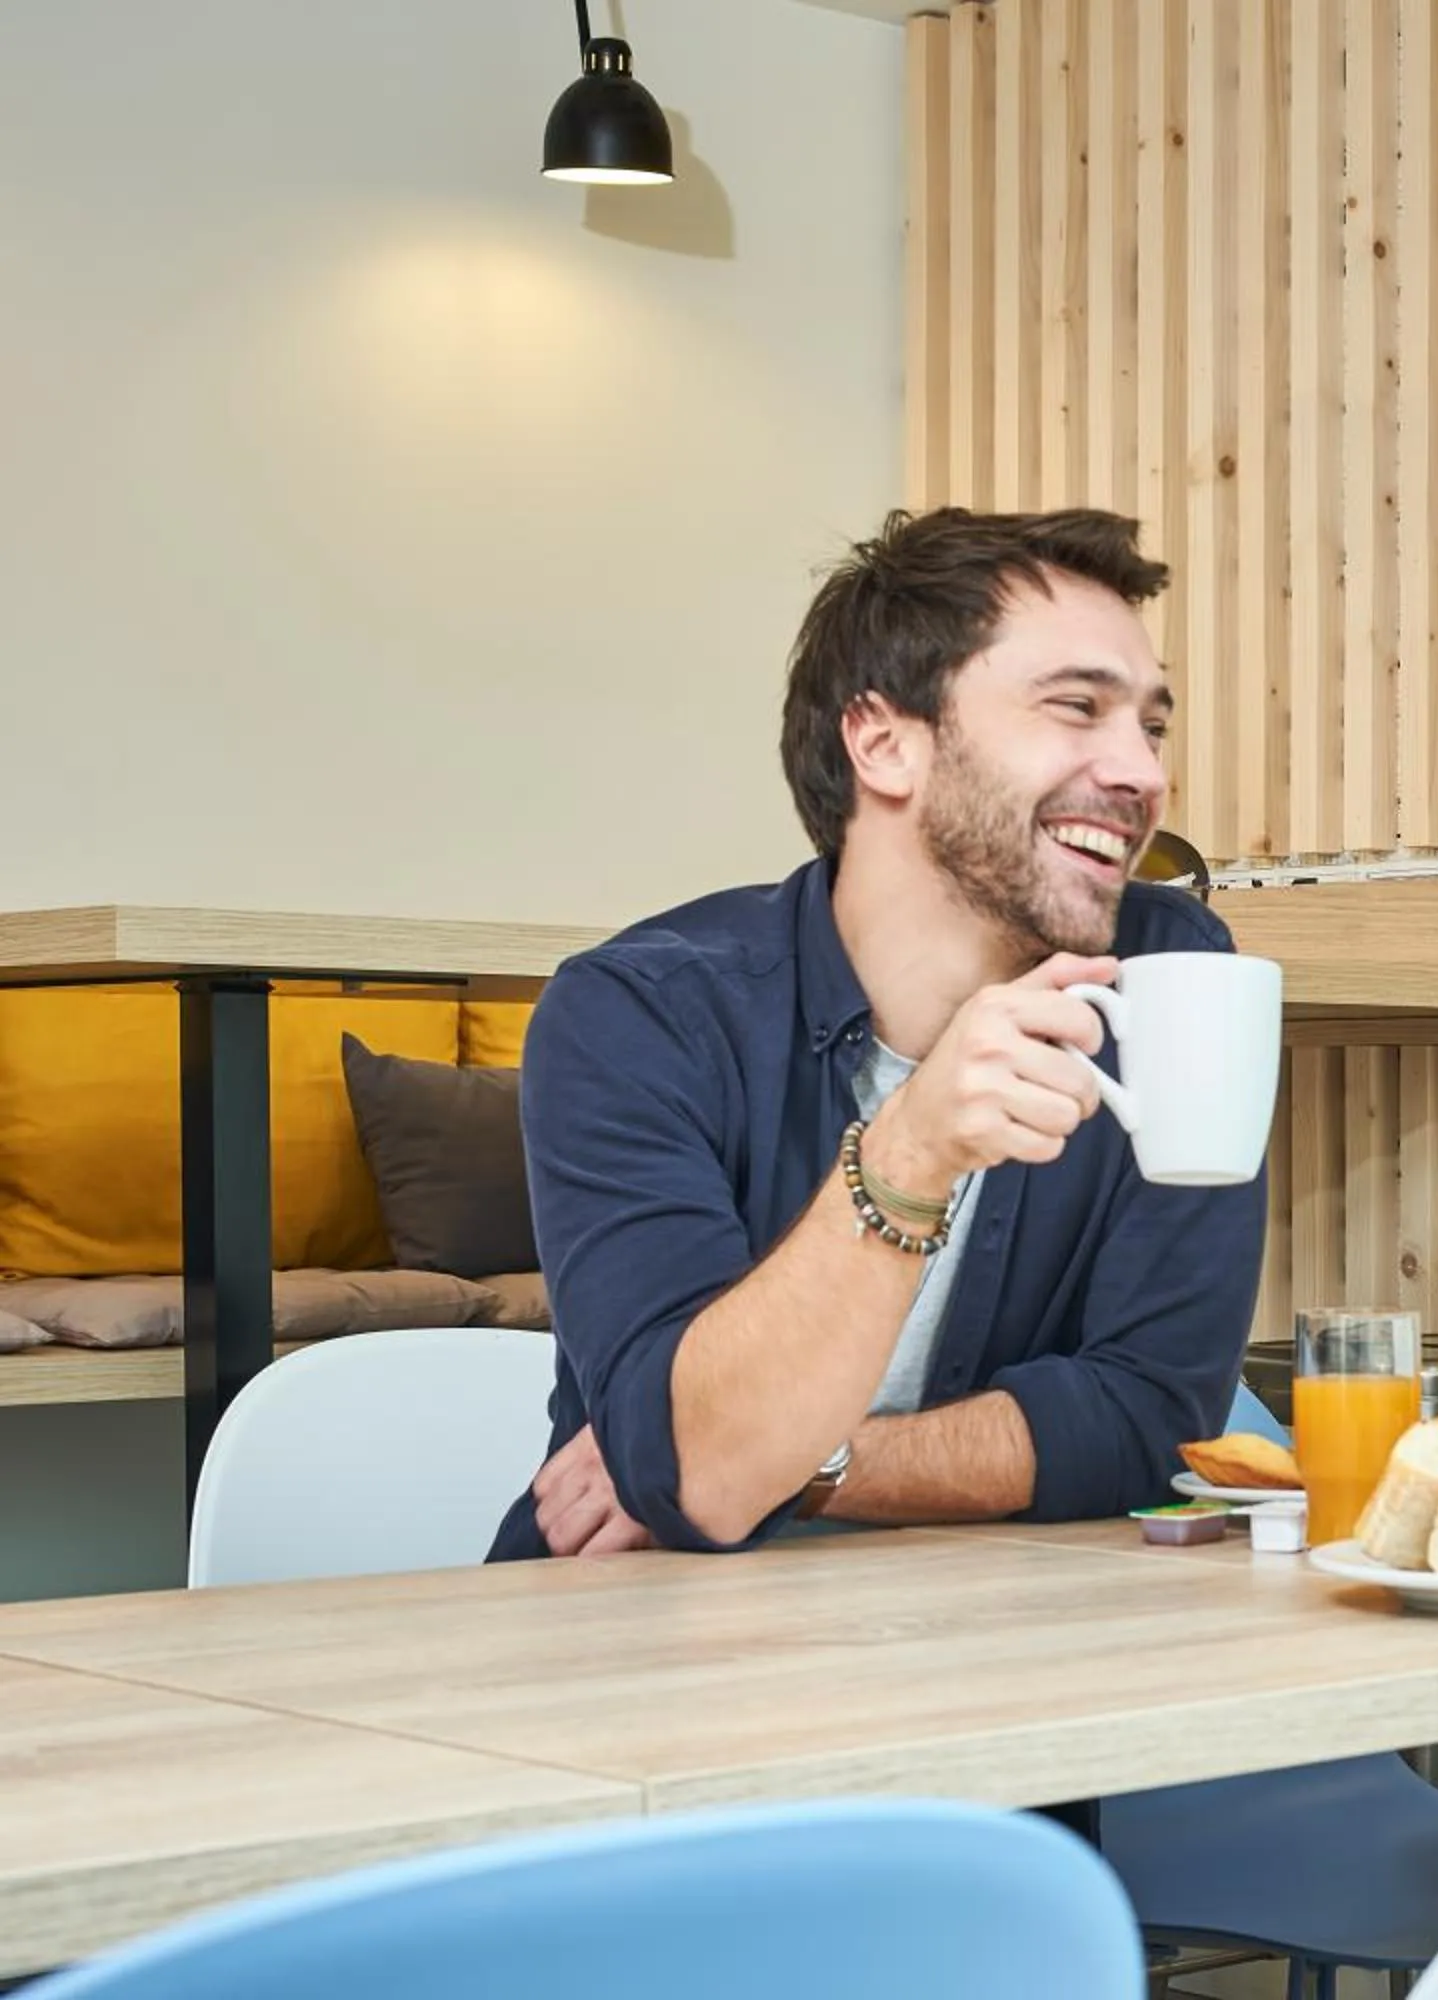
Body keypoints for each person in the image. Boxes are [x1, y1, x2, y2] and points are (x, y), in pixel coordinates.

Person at [488, 506, 1260, 1561]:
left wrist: (815, 1465)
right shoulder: (639, 1014)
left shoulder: (1168, 979)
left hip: (997, 1622)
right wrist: (911, 1151)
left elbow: (1148, 1419)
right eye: (1078, 707)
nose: (1143, 773)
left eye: (1152, 727)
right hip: (636, 1626)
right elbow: (702, 1477)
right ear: (885, 742)